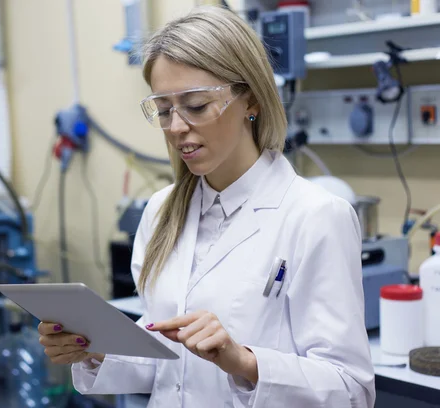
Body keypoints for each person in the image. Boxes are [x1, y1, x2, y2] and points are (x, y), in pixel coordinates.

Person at [38, 5, 375, 407]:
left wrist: (245, 363)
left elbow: (351, 389)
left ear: (250, 100)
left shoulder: (316, 216)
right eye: (164, 110)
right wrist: (93, 349)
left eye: (196, 106)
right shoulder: (162, 212)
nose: (177, 127)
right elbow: (170, 365)